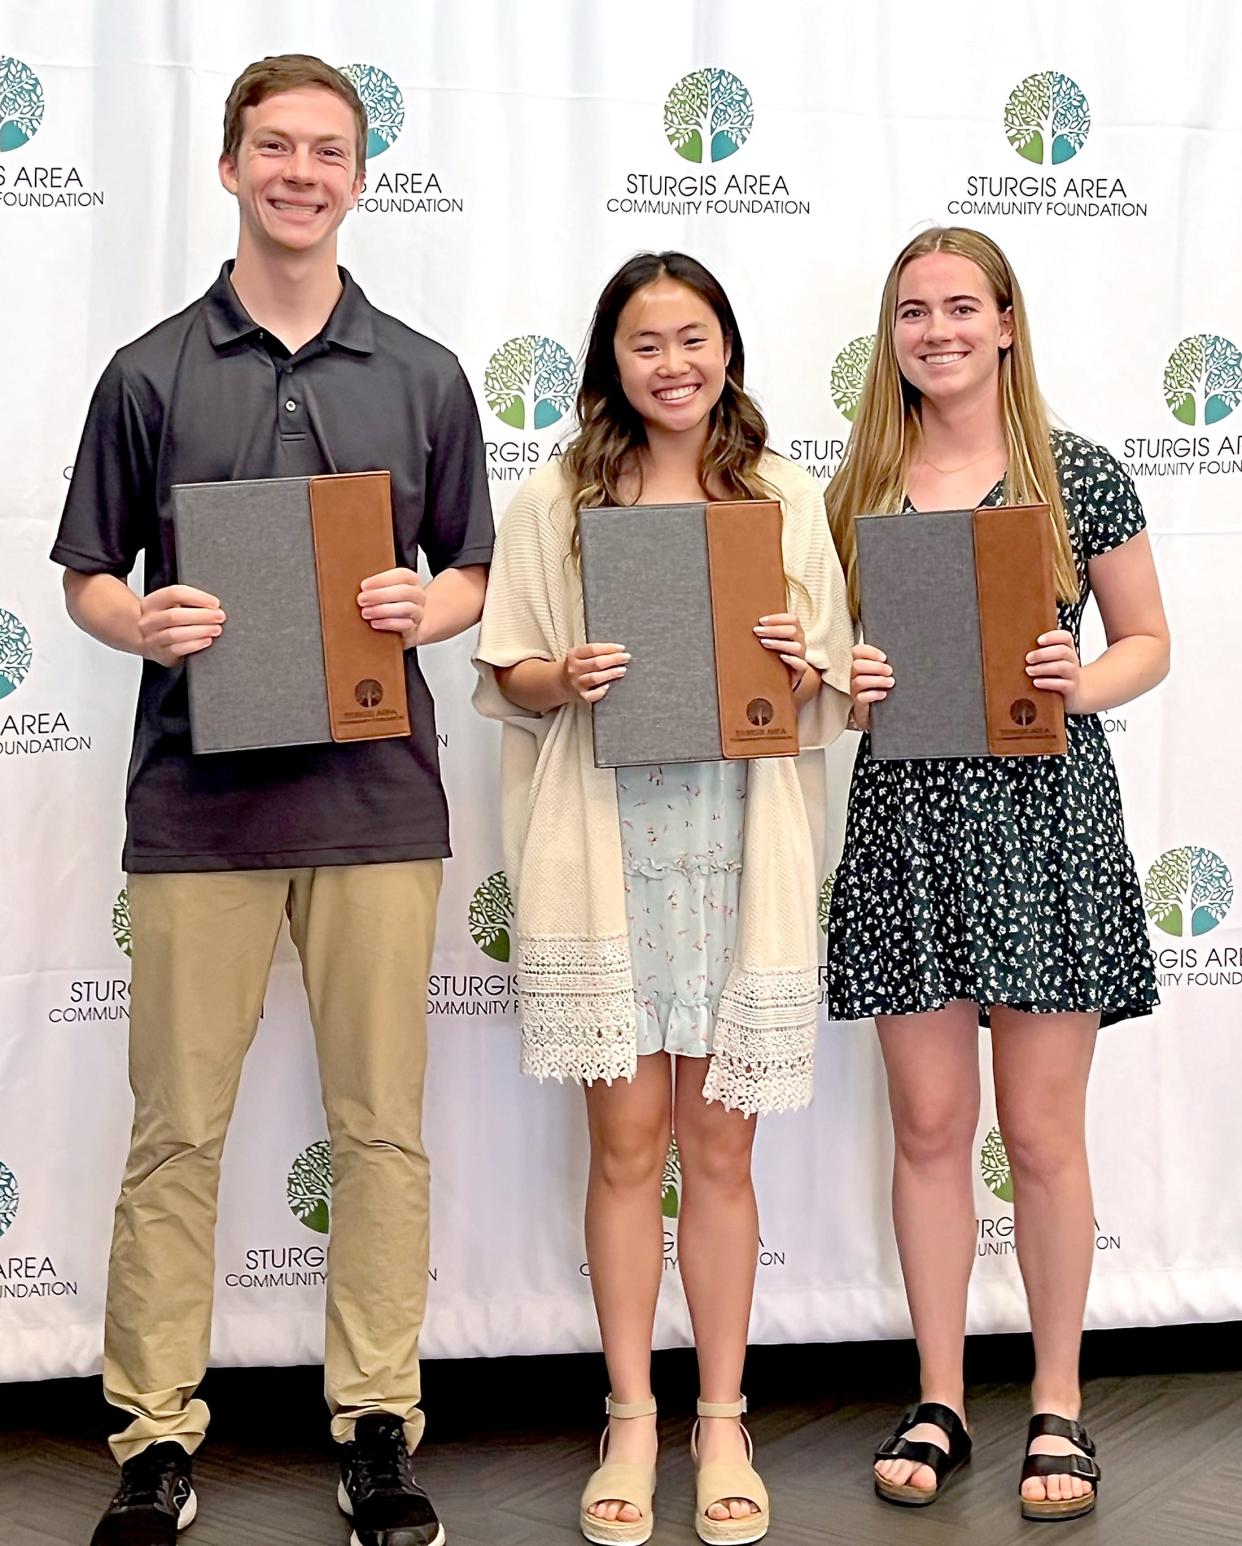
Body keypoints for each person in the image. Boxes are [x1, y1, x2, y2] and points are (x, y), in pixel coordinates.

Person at [51, 54, 492, 1546]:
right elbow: (88, 576)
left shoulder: (426, 373)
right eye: (274, 147)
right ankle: (154, 1436)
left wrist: (422, 611)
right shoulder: (148, 369)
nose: (301, 172)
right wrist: (141, 622)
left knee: (383, 1130)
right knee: (176, 1130)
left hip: (378, 804)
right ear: (230, 168)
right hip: (197, 812)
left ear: (360, 176)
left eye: (328, 150)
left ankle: (377, 1425)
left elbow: (471, 571)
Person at [474, 250, 852, 1545]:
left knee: (722, 1148)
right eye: (645, 343)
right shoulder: (552, 501)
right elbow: (504, 669)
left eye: (692, 338)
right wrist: (557, 676)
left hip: (735, 841)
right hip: (605, 845)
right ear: (609, 365)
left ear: (728, 351)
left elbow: (833, 682)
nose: (672, 363)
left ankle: (723, 1415)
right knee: (627, 1145)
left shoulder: (785, 497)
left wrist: (804, 664)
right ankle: (630, 1414)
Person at [824, 226, 1169, 1523]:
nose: (937, 331)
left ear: (1007, 322)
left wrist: (1080, 679)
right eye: (911, 311)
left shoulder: (1077, 472)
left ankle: (1058, 1401)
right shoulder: (853, 484)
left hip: (1042, 816)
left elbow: (1146, 640)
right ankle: (937, 1393)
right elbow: (821, 677)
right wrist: (843, 682)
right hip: (907, 817)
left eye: (960, 307)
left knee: (1036, 1131)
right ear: (891, 334)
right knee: (925, 1128)